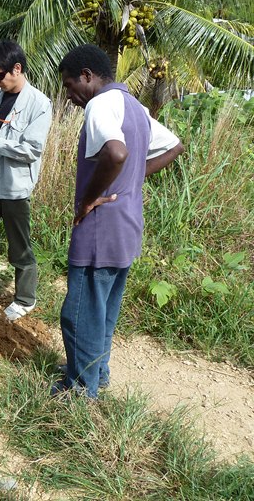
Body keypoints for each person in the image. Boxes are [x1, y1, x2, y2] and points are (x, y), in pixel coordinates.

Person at [53, 45, 184, 399]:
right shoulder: (134, 107)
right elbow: (174, 145)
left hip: (100, 224)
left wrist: (89, 198)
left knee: (79, 311)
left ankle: (81, 389)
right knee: (104, 307)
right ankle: (99, 372)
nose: (69, 96)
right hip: (127, 222)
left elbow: (117, 153)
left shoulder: (100, 104)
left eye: (69, 86)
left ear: (86, 76)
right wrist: (133, 179)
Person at [0, 40, 52, 321]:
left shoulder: (39, 104)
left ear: (16, 69)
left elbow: (32, 149)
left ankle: (25, 298)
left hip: (14, 185)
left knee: (19, 245)